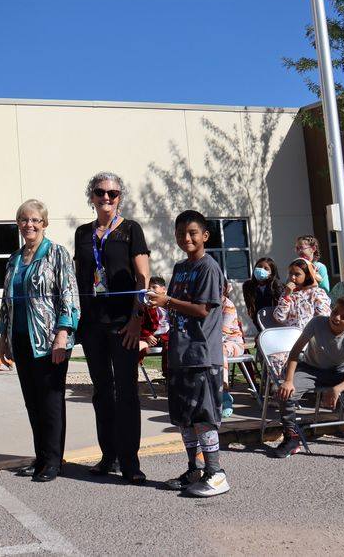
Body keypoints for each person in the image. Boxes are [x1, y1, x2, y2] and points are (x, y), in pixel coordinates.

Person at [73, 172, 150, 484]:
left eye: (113, 193)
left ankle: (131, 461)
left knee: (127, 392)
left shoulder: (131, 230)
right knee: (102, 392)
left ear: (120, 197)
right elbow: (78, 279)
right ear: (91, 196)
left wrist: (136, 320)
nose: (106, 198)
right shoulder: (82, 233)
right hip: (92, 325)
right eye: (100, 192)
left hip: (124, 324)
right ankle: (110, 455)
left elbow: (143, 279)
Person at [0, 199, 81, 483]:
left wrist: (63, 333)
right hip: (20, 339)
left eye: (34, 220)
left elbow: (69, 295)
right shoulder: (14, 259)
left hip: (50, 341)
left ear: (44, 223)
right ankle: (41, 457)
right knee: (33, 402)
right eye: (23, 220)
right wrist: (2, 337)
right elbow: (6, 302)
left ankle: (54, 461)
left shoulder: (56, 254)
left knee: (51, 401)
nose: (29, 225)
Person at [146, 210, 228, 497]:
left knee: (204, 415)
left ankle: (216, 472)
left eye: (193, 232)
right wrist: (160, 303)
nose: (187, 238)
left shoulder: (209, 267)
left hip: (202, 354)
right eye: (181, 233)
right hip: (180, 352)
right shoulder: (180, 268)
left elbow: (203, 309)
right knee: (184, 417)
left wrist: (167, 300)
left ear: (205, 236)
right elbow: (174, 306)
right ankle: (194, 468)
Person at [271, 296, 344, 465]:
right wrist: (288, 380)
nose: (336, 317)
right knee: (284, 393)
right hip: (310, 369)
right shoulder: (317, 323)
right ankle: (291, 436)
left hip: (339, 372)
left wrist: (338, 388)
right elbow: (295, 352)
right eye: (335, 312)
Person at [273, 259, 331, 329]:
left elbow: (323, 317)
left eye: (297, 274)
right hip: (291, 336)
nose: (292, 277)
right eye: (290, 273)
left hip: (312, 336)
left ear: (307, 276)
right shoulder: (287, 293)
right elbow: (279, 318)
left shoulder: (317, 293)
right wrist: (286, 296)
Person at [220, 279, 245, 419]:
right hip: (211, 342)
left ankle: (224, 393)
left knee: (219, 350)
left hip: (233, 342)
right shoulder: (204, 304)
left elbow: (222, 332)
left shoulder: (227, 305)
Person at [242, 257, 284, 323]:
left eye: (266, 269)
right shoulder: (248, 286)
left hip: (276, 321)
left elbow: (281, 305)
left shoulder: (276, 285)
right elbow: (250, 306)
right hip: (259, 321)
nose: (261, 270)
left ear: (271, 273)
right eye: (259, 266)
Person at [138, 276, 169, 361]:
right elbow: (141, 324)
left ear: (164, 289)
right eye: (149, 288)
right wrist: (147, 335)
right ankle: (132, 373)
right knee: (137, 348)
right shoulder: (146, 305)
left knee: (169, 348)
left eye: (154, 287)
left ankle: (168, 373)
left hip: (167, 337)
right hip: (150, 337)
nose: (150, 290)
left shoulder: (171, 305)